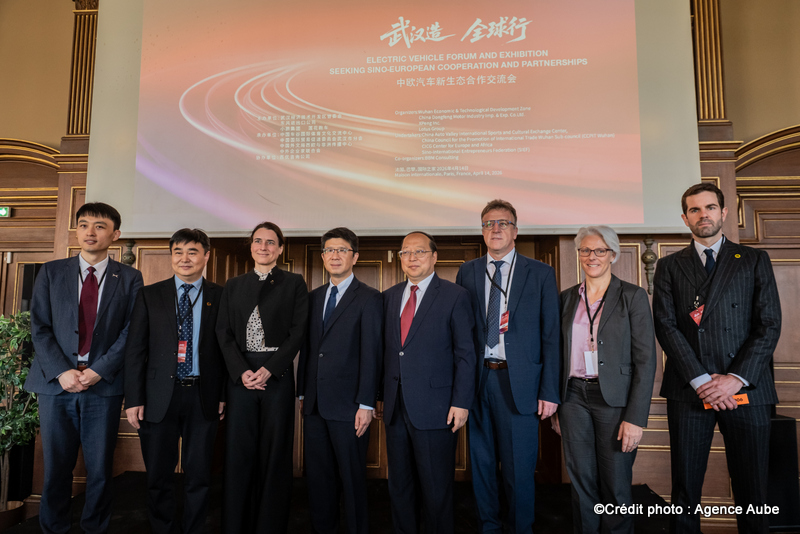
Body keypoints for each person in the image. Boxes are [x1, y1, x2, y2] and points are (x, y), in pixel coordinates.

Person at [653, 183, 781, 534]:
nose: (703, 214)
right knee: (685, 489)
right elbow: (666, 327)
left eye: (710, 207)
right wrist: (702, 381)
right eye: (694, 210)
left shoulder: (754, 259)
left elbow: (769, 325)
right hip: (690, 391)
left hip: (747, 389)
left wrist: (733, 378)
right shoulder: (668, 265)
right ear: (684, 218)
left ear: (724, 213)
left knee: (753, 489)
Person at [25, 202, 144, 534]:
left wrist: (98, 370)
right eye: (84, 225)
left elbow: (132, 331)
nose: (91, 232)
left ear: (115, 234)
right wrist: (63, 371)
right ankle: (53, 528)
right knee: (56, 469)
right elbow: (39, 327)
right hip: (55, 384)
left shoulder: (130, 278)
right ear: (76, 230)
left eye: (100, 226)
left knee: (100, 470)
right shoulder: (51, 271)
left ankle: (95, 529)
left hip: (102, 387)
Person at [455, 199, 560, 533]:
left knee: (518, 468)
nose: (495, 229)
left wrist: (550, 391)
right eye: (488, 223)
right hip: (478, 380)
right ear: (482, 231)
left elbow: (551, 336)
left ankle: (520, 527)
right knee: (482, 464)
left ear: (515, 230)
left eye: (502, 223)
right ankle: (488, 525)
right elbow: (460, 334)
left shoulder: (540, 273)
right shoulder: (468, 271)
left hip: (521, 383)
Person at [551, 226, 656, 534]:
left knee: (616, 485)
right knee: (581, 483)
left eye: (599, 250)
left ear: (612, 254)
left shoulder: (632, 296)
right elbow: (556, 354)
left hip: (615, 402)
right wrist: (557, 407)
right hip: (573, 399)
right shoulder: (566, 299)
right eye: (585, 250)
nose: (591, 256)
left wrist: (636, 418)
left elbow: (646, 360)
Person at [123, 228, 226, 534]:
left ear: (206, 256)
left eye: (192, 252)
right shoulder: (149, 295)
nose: (184, 259)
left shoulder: (221, 297)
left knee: (199, 475)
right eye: (178, 252)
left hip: (202, 396)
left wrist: (222, 393)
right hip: (157, 398)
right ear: (171, 257)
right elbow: (135, 350)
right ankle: (162, 529)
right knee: (158, 475)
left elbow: (225, 351)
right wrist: (134, 399)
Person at [378, 231, 476, 534]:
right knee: (400, 487)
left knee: (436, 490)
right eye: (405, 253)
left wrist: (461, 402)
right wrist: (381, 396)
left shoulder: (454, 295)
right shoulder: (389, 296)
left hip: (437, 409)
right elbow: (387, 352)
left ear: (434, 257)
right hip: (395, 407)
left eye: (419, 252)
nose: (412, 258)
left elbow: (465, 354)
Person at [216, 221, 309, 534]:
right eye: (258, 241)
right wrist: (242, 371)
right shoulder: (233, 284)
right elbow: (223, 333)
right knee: (238, 454)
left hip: (277, 376)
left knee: (275, 454)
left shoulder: (294, 283)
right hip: (240, 376)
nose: (264, 247)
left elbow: (299, 332)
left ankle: (269, 525)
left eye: (271, 242)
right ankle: (235, 524)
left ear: (280, 249)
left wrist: (271, 368)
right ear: (251, 246)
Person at [297, 227, 382, 534]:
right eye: (329, 250)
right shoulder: (314, 297)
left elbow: (372, 354)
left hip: (350, 407)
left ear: (354, 257)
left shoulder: (370, 299)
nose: (335, 255)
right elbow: (309, 349)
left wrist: (365, 403)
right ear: (322, 257)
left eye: (342, 250)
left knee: (352, 479)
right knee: (319, 480)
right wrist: (302, 395)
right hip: (315, 404)